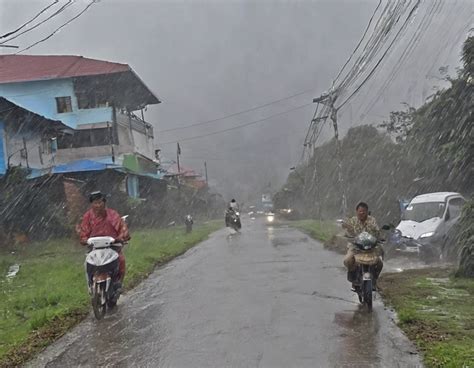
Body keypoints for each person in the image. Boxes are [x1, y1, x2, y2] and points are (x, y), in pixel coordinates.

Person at [79, 191, 130, 285]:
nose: (98, 205)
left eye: (100, 202)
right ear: (91, 204)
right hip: (94, 249)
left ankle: (118, 284)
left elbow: (122, 228)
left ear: (104, 203)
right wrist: (84, 239)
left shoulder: (113, 215)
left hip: (112, 247)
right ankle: (90, 284)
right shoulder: (87, 217)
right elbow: (84, 231)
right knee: (87, 264)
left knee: (121, 261)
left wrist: (121, 237)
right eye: (95, 203)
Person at [342, 202, 383, 288]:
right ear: (356, 211)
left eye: (364, 211)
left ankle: (374, 279)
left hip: (370, 247)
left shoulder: (372, 220)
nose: (362, 213)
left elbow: (376, 231)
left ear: (367, 212)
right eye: (360, 211)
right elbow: (348, 231)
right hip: (356, 247)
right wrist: (348, 233)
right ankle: (353, 276)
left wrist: (378, 237)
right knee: (347, 260)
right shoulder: (352, 221)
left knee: (379, 263)